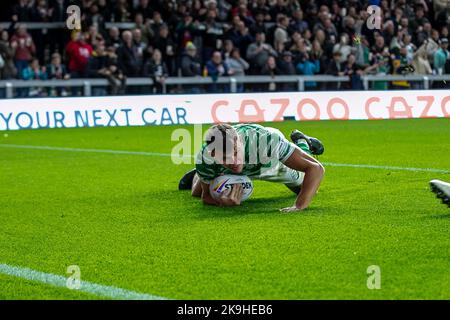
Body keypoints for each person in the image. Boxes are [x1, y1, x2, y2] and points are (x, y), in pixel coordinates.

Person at [178, 123, 325, 212]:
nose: (233, 162)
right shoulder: (205, 157)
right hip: (229, 167)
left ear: (240, 141)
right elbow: (206, 198)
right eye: (224, 158)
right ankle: (200, 173)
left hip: (268, 163)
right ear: (213, 154)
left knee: (305, 187)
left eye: (235, 153)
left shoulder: (265, 140)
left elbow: (316, 169)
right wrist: (220, 202)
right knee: (196, 193)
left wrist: (299, 206)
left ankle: (302, 142)